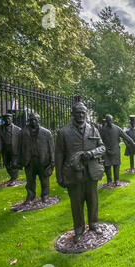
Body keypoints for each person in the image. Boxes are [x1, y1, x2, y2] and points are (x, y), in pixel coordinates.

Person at [55, 102, 106, 244]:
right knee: (76, 202)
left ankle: (93, 223)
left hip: (91, 172)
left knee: (93, 199)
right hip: (73, 173)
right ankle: (78, 228)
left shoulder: (93, 129)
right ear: (72, 113)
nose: (81, 115)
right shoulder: (64, 132)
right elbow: (58, 155)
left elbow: (102, 148)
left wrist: (91, 153)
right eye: (78, 112)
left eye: (83, 112)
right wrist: (59, 175)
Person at [18, 113, 54, 204]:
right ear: (29, 120)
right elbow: (19, 147)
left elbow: (51, 148)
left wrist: (52, 161)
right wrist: (19, 160)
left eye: (35, 119)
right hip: (29, 161)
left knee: (44, 180)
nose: (33, 121)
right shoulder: (23, 132)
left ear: (39, 120)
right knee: (30, 181)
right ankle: (30, 196)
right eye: (31, 119)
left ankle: (45, 196)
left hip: (43, 160)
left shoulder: (46, 132)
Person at [100, 114, 135, 186]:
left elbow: (126, 136)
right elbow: (100, 139)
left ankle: (117, 180)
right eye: (108, 121)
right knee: (107, 166)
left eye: (110, 120)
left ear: (112, 120)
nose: (109, 122)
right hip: (106, 150)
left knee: (116, 165)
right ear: (106, 121)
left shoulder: (117, 128)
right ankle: (109, 180)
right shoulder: (103, 129)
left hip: (116, 150)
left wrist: (133, 143)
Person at [0, 113, 21, 185]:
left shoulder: (17, 129)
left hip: (14, 149)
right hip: (4, 149)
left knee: (14, 164)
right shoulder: (0, 128)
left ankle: (14, 178)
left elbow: (22, 140)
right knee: (6, 164)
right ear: (3, 120)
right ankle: (12, 177)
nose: (7, 120)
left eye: (9, 118)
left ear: (12, 119)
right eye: (6, 119)